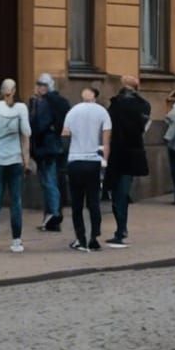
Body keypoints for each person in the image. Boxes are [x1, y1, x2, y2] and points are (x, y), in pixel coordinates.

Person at [0, 78, 33, 252]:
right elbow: (26, 132)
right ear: (14, 91)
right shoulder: (21, 108)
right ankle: (16, 240)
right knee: (16, 199)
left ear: (1, 91)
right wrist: (26, 161)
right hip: (15, 159)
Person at [62, 87, 112, 252]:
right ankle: (94, 238)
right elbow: (106, 142)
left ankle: (80, 238)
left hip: (75, 160)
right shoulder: (102, 112)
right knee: (93, 201)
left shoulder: (72, 111)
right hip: (93, 161)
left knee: (77, 203)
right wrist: (105, 161)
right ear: (95, 97)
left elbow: (65, 136)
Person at [105, 76, 151, 247]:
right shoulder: (144, 105)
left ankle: (121, 230)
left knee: (117, 194)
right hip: (132, 153)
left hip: (117, 152)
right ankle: (121, 229)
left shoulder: (116, 104)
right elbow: (143, 128)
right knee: (122, 192)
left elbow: (108, 127)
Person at [30, 72, 71, 233]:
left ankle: (54, 215)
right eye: (39, 85)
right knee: (53, 181)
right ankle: (51, 217)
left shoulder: (45, 102)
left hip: (46, 146)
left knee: (49, 182)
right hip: (57, 145)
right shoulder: (60, 101)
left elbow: (40, 124)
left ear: (48, 87)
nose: (40, 88)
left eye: (43, 85)